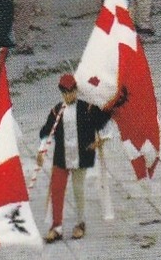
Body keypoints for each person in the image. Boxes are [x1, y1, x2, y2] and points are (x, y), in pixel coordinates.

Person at [37, 73, 117, 242]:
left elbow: (105, 122)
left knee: (78, 188)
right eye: (65, 92)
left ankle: (80, 223)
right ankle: (56, 227)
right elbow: (46, 132)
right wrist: (41, 150)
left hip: (82, 155)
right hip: (62, 156)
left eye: (72, 91)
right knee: (57, 189)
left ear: (76, 90)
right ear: (61, 92)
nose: (69, 95)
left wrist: (101, 139)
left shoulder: (87, 108)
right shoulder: (56, 111)